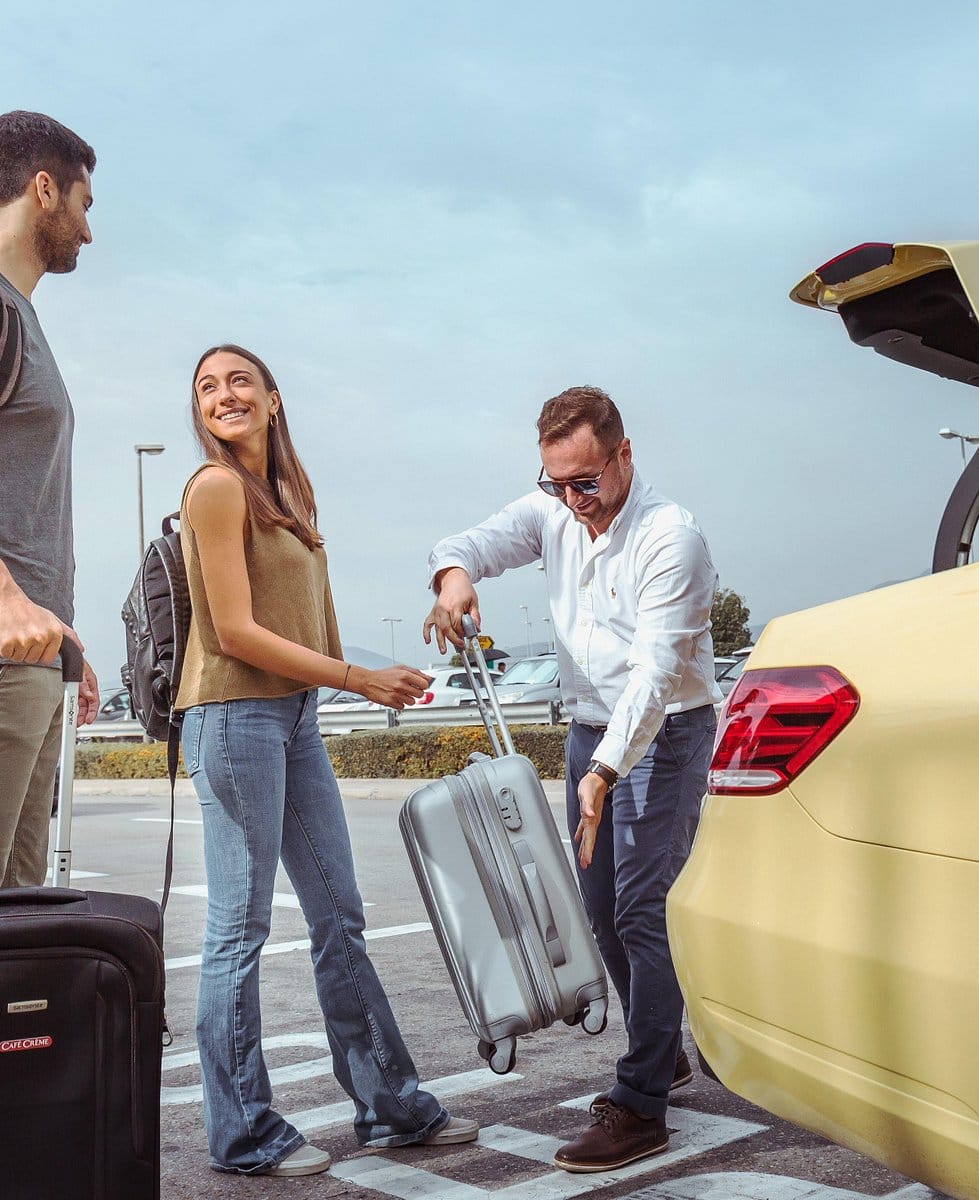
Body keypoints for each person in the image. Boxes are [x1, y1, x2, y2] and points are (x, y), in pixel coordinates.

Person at [177, 344, 478, 1176]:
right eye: (206, 387)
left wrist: (365, 679)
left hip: (293, 718)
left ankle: (389, 1107)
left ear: (274, 400)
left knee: (339, 913)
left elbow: (307, 620)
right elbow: (235, 631)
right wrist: (359, 677)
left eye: (239, 380)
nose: (223, 395)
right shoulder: (212, 488)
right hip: (233, 715)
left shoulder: (291, 497)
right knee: (239, 929)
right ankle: (243, 1133)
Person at [424, 385, 721, 1173]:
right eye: (557, 483)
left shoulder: (670, 539)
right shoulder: (556, 506)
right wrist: (453, 576)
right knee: (594, 908)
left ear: (624, 456)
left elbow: (656, 677)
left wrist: (603, 772)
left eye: (586, 481)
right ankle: (664, 1052)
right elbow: (473, 541)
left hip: (664, 732)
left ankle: (641, 1102)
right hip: (590, 727)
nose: (572, 500)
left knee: (638, 908)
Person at [0, 110, 100, 889]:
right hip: (3, 656)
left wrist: (60, 633)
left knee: (22, 918)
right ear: (44, 190)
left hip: (30, 658)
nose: (88, 231)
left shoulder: (21, 316)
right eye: (84, 204)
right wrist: (6, 598)